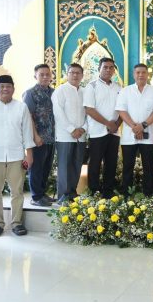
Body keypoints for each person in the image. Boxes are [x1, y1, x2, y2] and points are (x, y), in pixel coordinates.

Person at [0, 75, 35, 237]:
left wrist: (28, 155)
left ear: (13, 89)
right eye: (1, 86)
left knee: (17, 192)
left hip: (16, 156)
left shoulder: (21, 107)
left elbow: (27, 133)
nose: (5, 89)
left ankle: (17, 223)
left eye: (8, 86)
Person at [116, 64, 153, 196]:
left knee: (148, 167)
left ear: (148, 75)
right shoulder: (125, 91)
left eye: (143, 72)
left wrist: (143, 126)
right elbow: (121, 111)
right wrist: (135, 127)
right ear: (134, 74)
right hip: (129, 136)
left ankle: (148, 194)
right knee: (128, 167)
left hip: (148, 135)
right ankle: (127, 195)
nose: (141, 75)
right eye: (138, 72)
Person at [83, 57, 122, 197]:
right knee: (95, 164)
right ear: (99, 68)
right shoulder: (91, 86)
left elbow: (122, 109)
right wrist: (108, 123)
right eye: (105, 67)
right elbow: (89, 109)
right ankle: (93, 192)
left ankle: (108, 192)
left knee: (111, 164)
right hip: (97, 132)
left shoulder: (118, 87)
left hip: (114, 132)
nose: (108, 70)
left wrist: (116, 125)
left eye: (111, 67)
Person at [51, 63, 87, 204]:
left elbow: (89, 112)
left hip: (81, 135)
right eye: (72, 72)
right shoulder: (60, 90)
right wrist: (72, 129)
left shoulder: (85, 92)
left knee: (76, 165)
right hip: (65, 135)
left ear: (82, 75)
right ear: (67, 74)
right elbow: (58, 113)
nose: (75, 75)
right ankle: (63, 196)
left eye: (78, 73)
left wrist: (83, 128)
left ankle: (72, 193)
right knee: (65, 166)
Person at [22, 64, 56, 207]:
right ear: (35, 76)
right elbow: (28, 116)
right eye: (41, 74)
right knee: (36, 168)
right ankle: (36, 197)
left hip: (52, 136)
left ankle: (42, 193)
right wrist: (35, 136)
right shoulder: (30, 93)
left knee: (46, 167)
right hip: (38, 137)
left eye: (47, 74)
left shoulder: (54, 92)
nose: (45, 77)